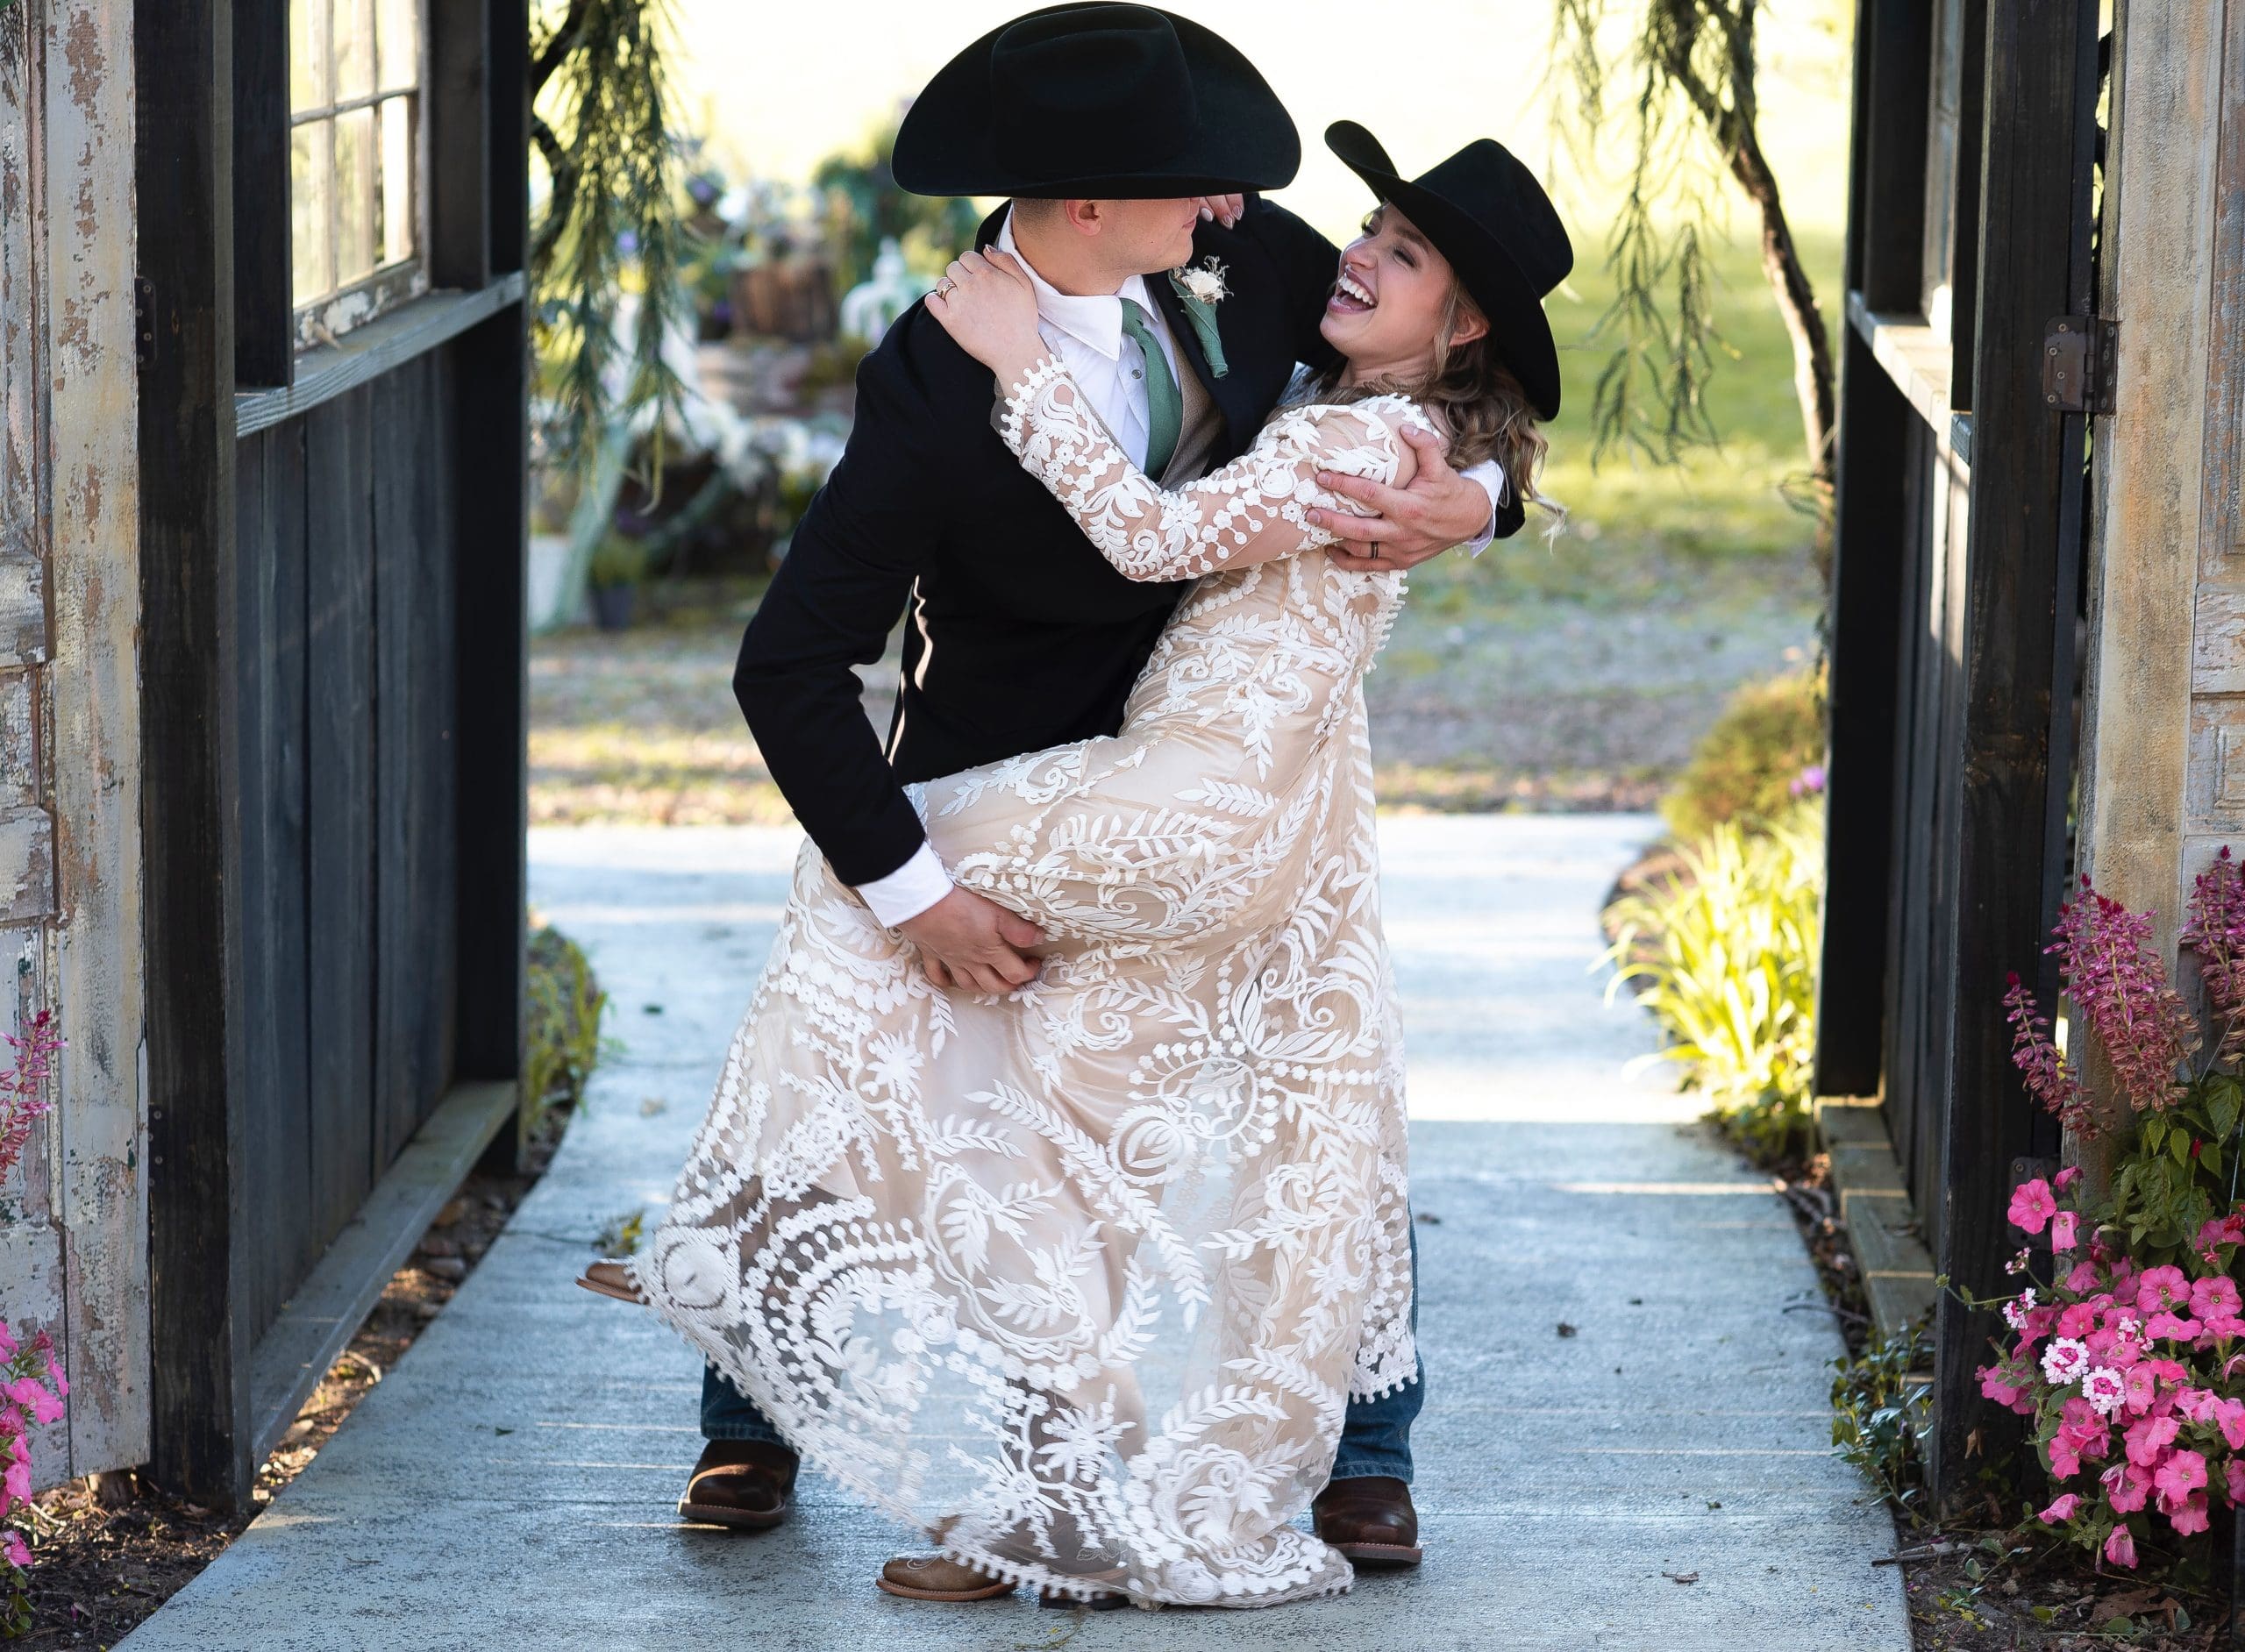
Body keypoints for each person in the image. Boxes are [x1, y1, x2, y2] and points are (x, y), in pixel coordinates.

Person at [582, 4, 1569, 1609]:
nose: (1243, 200)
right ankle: (763, 1402)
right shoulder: (933, 377)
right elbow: (790, 667)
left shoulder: (1248, 257)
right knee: (900, 995)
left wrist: (1482, 499)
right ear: (1097, 200)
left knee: (1316, 1073)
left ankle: (1354, 1451)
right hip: (1027, 753)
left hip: (1245, 771)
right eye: (1200, 176)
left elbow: (1448, 380)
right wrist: (917, 891)